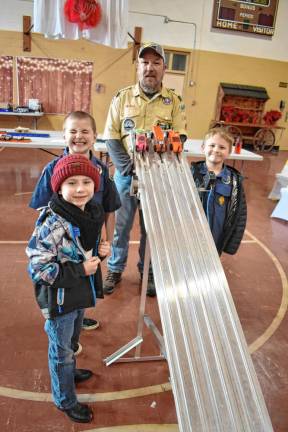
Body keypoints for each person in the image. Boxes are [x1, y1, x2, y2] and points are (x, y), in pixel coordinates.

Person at [26, 154, 110, 423]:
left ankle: (69, 370)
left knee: (72, 341)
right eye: (71, 182)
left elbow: (82, 252)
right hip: (59, 298)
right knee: (61, 349)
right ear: (59, 188)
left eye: (86, 182)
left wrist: (100, 252)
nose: (80, 188)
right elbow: (38, 268)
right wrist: (80, 271)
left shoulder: (89, 214)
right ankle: (64, 398)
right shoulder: (52, 222)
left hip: (79, 292)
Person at [103, 42, 187, 296]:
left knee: (152, 228)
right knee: (121, 227)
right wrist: (127, 166)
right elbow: (111, 137)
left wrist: (157, 150)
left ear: (163, 69)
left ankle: (148, 272)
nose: (150, 68)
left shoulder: (174, 101)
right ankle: (115, 269)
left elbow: (180, 138)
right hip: (125, 176)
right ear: (138, 67)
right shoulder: (122, 97)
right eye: (145, 63)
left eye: (156, 63)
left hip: (158, 176)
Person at [29, 111, 121, 338]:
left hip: (89, 242)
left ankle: (78, 316)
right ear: (64, 135)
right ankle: (64, 327)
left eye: (84, 131)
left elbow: (108, 208)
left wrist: (106, 240)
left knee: (83, 282)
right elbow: (42, 209)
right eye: (73, 131)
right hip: (61, 249)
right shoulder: (52, 169)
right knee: (66, 285)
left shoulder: (101, 171)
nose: (79, 136)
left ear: (95, 136)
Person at [191, 128, 247, 255]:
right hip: (191, 237)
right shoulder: (191, 174)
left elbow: (240, 214)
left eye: (222, 147)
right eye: (212, 145)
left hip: (216, 240)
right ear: (203, 147)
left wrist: (231, 244)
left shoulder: (234, 181)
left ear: (229, 152)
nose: (216, 150)